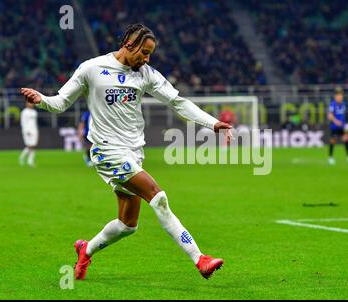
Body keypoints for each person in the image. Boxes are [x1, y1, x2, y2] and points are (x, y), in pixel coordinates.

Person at [21, 23, 232, 280]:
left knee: (127, 225)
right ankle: (200, 259)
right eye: (144, 52)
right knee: (158, 196)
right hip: (107, 152)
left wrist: (212, 123)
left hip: (134, 152)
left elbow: (177, 102)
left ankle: (85, 249)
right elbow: (61, 102)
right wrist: (41, 100)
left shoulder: (145, 73)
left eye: (150, 53)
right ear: (128, 44)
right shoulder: (92, 68)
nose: (147, 58)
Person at [328, 88, 348, 165]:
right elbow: (330, 116)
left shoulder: (343, 104)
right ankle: (330, 157)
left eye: (341, 95)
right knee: (333, 141)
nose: (340, 97)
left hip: (342, 127)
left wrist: (343, 123)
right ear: (336, 96)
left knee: (346, 138)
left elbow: (342, 115)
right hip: (334, 127)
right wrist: (336, 121)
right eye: (338, 95)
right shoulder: (333, 104)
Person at [19, 101, 38, 167]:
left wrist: (36, 132)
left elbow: (35, 123)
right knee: (30, 146)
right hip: (27, 131)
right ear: (26, 104)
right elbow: (23, 122)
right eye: (30, 103)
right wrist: (26, 131)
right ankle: (29, 160)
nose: (31, 104)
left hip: (34, 131)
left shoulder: (34, 112)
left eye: (32, 103)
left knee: (32, 146)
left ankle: (24, 158)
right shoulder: (24, 112)